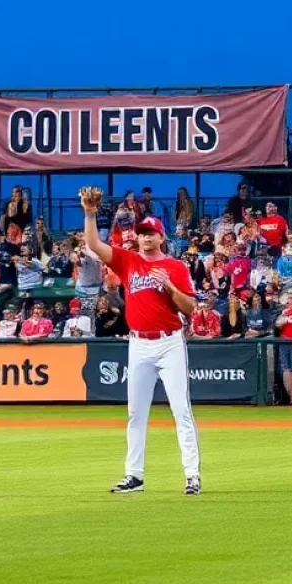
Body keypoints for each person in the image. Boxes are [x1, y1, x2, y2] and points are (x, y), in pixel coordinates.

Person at [80, 187, 201, 496]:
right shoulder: (128, 261)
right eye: (142, 233)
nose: (146, 237)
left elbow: (190, 307)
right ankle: (134, 476)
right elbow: (93, 244)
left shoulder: (175, 267)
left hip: (169, 341)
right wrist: (90, 214)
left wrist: (171, 288)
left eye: (151, 233)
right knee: (136, 412)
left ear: (161, 237)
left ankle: (192, 476)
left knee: (180, 410)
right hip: (139, 344)